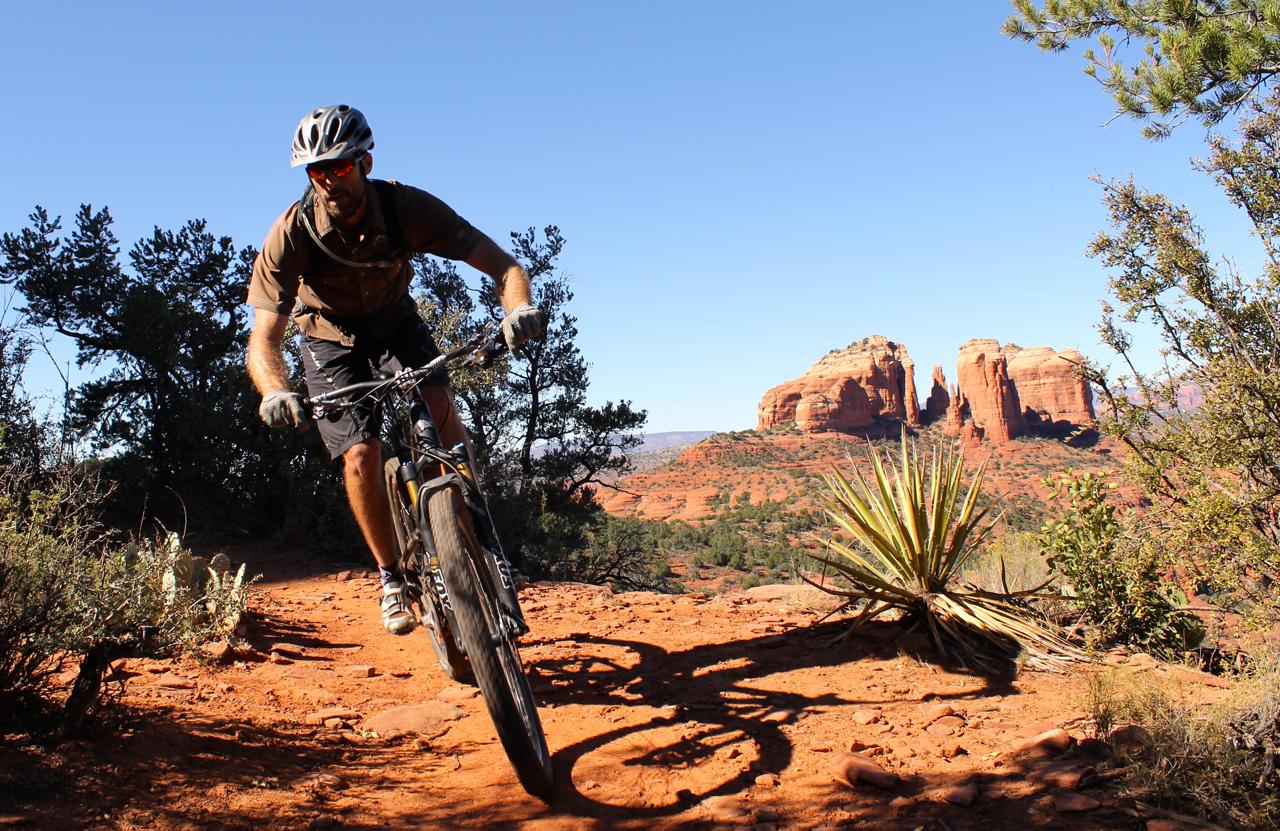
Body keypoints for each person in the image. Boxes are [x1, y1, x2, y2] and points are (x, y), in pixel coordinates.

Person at [246, 104, 543, 635]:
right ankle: (390, 577)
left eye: (339, 167)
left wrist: (516, 309)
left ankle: (481, 533)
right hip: (328, 338)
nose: (329, 180)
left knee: (437, 405)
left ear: (364, 162)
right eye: (317, 171)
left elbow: (503, 264)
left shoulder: (406, 207)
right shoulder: (291, 234)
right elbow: (264, 338)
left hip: (394, 321)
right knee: (360, 453)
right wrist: (274, 390)